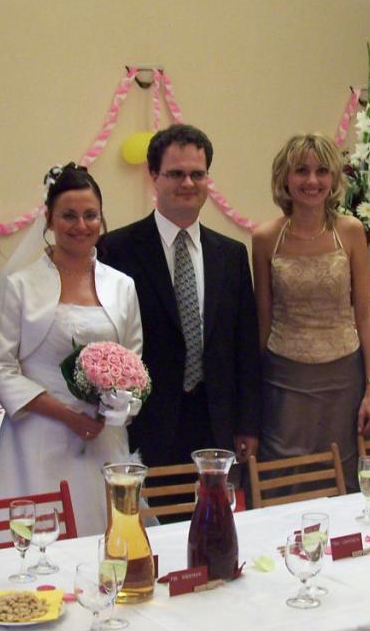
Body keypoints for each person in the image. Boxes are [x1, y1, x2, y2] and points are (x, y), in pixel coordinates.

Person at [0, 164, 142, 537]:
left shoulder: (122, 286)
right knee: (34, 542)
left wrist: (116, 407)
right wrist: (68, 416)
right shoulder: (20, 287)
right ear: (49, 219)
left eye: (91, 215)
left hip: (102, 440)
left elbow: (134, 364)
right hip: (35, 438)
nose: (81, 225)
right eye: (69, 215)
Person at [99, 124, 260, 470]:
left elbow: (244, 345)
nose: (188, 183)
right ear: (153, 176)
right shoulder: (117, 250)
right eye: (175, 174)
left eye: (197, 174)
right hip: (147, 422)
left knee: (214, 505)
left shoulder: (231, 255)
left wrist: (247, 422)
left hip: (216, 421)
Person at [252, 133, 370, 488]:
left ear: (333, 178)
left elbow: (366, 314)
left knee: (342, 472)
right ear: (285, 177)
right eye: (301, 171)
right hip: (283, 378)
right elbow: (263, 318)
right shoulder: (265, 239)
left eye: (322, 171)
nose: (312, 180)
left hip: (343, 378)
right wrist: (255, 393)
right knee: (284, 475)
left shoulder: (351, 232)